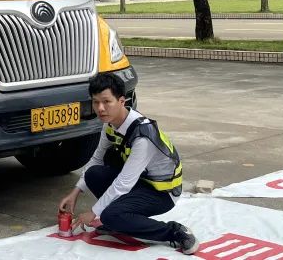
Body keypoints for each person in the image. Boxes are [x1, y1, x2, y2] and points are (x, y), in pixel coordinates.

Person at [58, 72, 199, 255]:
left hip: (162, 193)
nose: (100, 108)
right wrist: (75, 193)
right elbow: (96, 158)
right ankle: (119, 222)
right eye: (95, 102)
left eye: (106, 102)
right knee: (94, 173)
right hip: (140, 182)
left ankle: (175, 231)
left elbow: (124, 183)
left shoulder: (142, 135)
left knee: (110, 215)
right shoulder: (110, 124)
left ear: (122, 101)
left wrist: (93, 213)